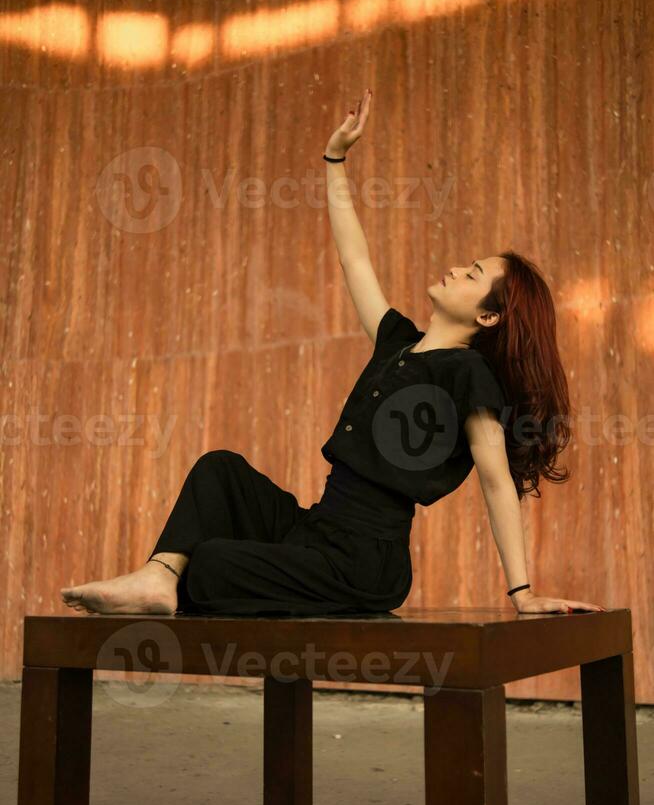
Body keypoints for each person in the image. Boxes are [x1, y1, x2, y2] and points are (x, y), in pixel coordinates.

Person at [60, 89, 604, 618]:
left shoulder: (469, 375)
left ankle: (172, 580)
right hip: (317, 531)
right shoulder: (398, 343)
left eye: (474, 274)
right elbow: (355, 260)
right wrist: (335, 159)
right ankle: (158, 576)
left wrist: (523, 592)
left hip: (364, 563)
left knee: (211, 563)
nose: (459, 269)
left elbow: (494, 481)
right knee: (219, 470)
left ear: (488, 316)